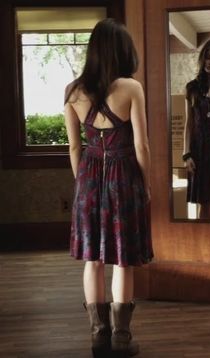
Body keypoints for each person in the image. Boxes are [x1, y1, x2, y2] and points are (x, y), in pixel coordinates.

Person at [64, 18, 153, 358]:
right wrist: (146, 185)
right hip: (124, 177)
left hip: (88, 177)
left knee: (93, 260)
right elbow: (142, 146)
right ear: (122, 51)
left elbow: (74, 148)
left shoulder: (72, 91)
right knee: (122, 259)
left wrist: (83, 184)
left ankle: (98, 336)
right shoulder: (131, 88)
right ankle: (121, 337)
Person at [183, 38, 210, 219]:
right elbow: (189, 124)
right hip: (200, 151)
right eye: (208, 57)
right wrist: (186, 154)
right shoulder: (192, 88)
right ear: (202, 58)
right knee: (204, 207)